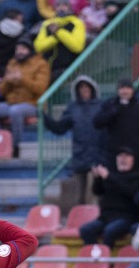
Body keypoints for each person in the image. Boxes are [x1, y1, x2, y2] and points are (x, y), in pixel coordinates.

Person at [42, 75, 103, 204]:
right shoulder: (73, 108)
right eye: (81, 87)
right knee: (79, 198)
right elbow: (59, 128)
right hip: (80, 156)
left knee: (96, 196)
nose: (84, 90)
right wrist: (44, 118)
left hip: (98, 158)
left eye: (86, 87)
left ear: (92, 89)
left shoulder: (101, 106)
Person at [0, 39, 49, 151]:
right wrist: (8, 81)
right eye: (17, 49)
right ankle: (2, 142)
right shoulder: (12, 63)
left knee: (15, 111)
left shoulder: (41, 64)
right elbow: (2, 91)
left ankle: (16, 147)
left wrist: (22, 79)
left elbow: (40, 89)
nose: (19, 52)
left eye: (23, 49)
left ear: (30, 50)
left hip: (32, 104)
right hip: (11, 102)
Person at [80, 148, 139, 248]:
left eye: (126, 156)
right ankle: (95, 255)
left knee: (110, 231)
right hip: (106, 217)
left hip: (126, 217)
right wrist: (97, 178)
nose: (123, 159)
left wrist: (109, 177)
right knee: (86, 230)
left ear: (133, 159)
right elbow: (97, 191)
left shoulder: (137, 176)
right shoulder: (110, 174)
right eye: (120, 156)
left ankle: (107, 261)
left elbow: (131, 191)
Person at [93, 78, 139, 160]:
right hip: (114, 152)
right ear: (118, 90)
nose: (125, 91)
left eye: (128, 88)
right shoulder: (110, 104)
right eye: (122, 88)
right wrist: (114, 111)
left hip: (135, 152)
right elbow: (97, 122)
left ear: (132, 90)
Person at [33, 0, 85, 80]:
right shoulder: (48, 24)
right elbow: (38, 47)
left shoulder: (77, 22)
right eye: (58, 5)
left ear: (70, 7)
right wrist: (55, 38)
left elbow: (77, 47)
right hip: (46, 69)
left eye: (64, 5)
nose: (61, 8)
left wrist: (58, 32)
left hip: (67, 69)